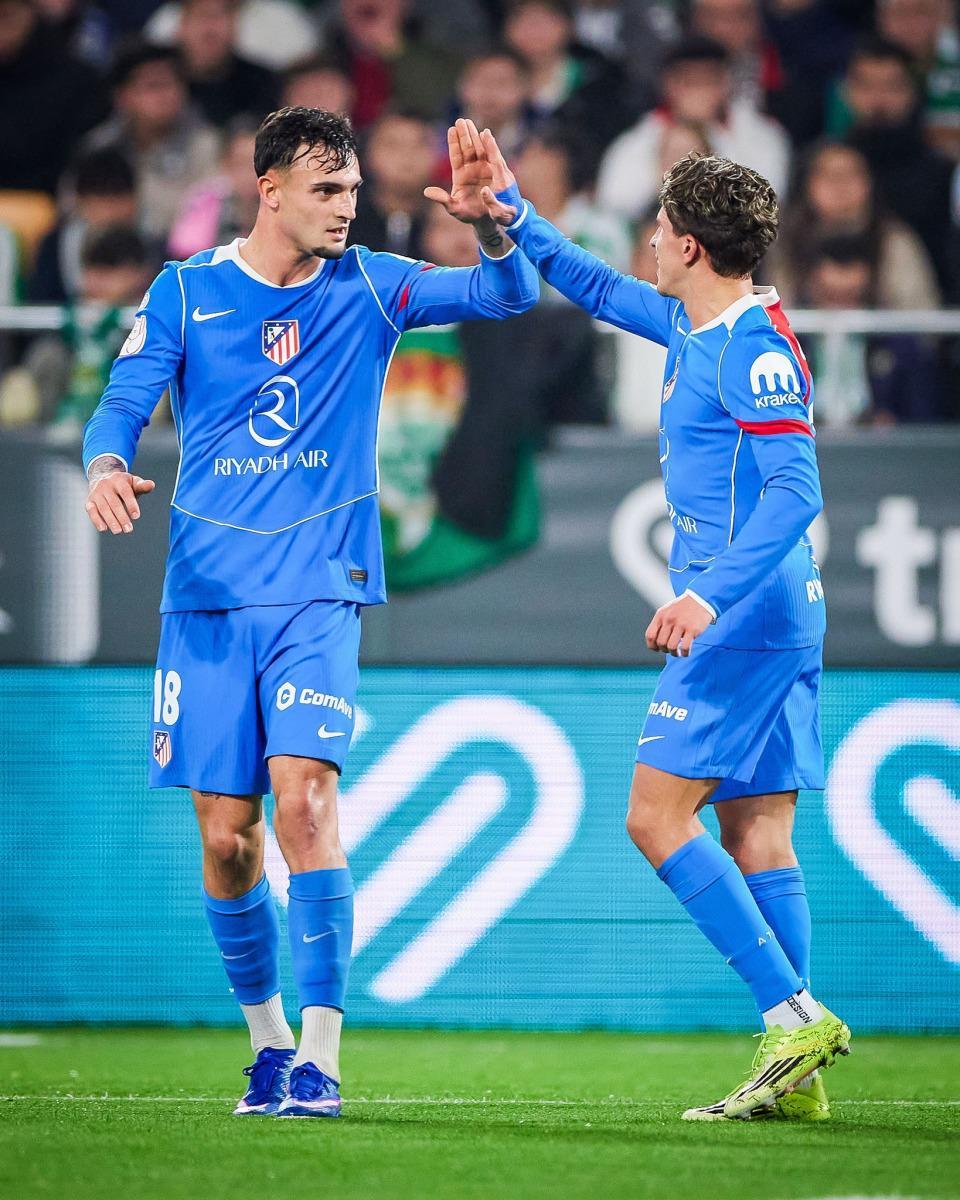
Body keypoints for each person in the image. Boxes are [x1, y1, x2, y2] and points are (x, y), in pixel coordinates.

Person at [81, 108, 538, 1119]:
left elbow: (508, 295)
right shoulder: (187, 292)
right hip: (205, 600)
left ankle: (321, 1062)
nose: (347, 207)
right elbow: (122, 400)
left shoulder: (372, 284)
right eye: (327, 189)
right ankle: (269, 1045)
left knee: (305, 804)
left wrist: (494, 226)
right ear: (271, 190)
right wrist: (106, 464)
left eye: (354, 190)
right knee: (227, 839)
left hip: (319, 592)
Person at [478, 124, 851, 1120]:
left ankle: (792, 1015)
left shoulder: (753, 350)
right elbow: (599, 289)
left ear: (688, 245)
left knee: (654, 815)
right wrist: (515, 215)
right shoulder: (698, 323)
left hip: (744, 618)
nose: (647, 237)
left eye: (658, 224)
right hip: (775, 614)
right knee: (756, 828)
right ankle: (797, 1077)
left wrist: (706, 595)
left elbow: (796, 490)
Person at [597, 36, 790, 223]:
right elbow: (613, 204)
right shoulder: (643, 136)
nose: (698, 91)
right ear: (668, 85)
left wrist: (712, 135)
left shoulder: (761, 133)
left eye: (708, 80)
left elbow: (767, 200)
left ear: (726, 83)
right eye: (689, 81)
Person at [772, 139, 941, 309]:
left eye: (851, 174)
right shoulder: (785, 242)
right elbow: (774, 311)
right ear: (807, 185)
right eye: (828, 174)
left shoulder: (894, 243)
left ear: (869, 184)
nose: (840, 185)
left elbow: (920, 313)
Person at [797, 233, 944, 425]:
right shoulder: (786, 343)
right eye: (831, 296)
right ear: (811, 286)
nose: (841, 311)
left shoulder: (901, 346)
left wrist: (894, 424)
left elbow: (924, 421)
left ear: (869, 287)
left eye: (851, 297)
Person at [82, 39, 222, 239]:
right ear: (123, 96)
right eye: (153, 86)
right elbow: (75, 210)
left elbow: (213, 218)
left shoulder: (207, 146)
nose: (166, 95)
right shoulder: (100, 148)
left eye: (172, 84)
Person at [29, 148, 141, 304]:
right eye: (101, 199)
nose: (110, 211)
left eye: (117, 198)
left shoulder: (154, 246)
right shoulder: (53, 247)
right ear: (81, 201)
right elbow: (39, 307)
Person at [175, 0, 280, 126]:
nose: (210, 29)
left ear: (234, 26)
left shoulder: (263, 82)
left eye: (218, 17)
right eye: (201, 16)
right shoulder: (159, 74)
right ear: (182, 25)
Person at [347, 111, 435, 259]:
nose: (407, 156)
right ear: (368, 153)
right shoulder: (345, 218)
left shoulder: (448, 221)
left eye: (420, 144)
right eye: (393, 145)